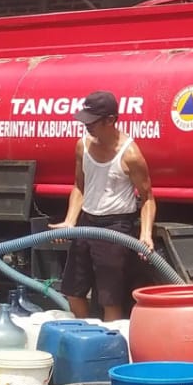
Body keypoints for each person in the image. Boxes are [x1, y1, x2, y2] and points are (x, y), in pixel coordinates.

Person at [51, 90, 156, 321]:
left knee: (110, 298)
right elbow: (79, 186)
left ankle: (110, 346)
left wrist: (145, 234)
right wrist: (70, 221)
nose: (87, 126)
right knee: (72, 291)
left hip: (116, 228)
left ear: (110, 120)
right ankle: (85, 334)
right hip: (87, 223)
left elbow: (147, 198)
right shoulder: (83, 146)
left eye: (92, 122)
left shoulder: (130, 154)